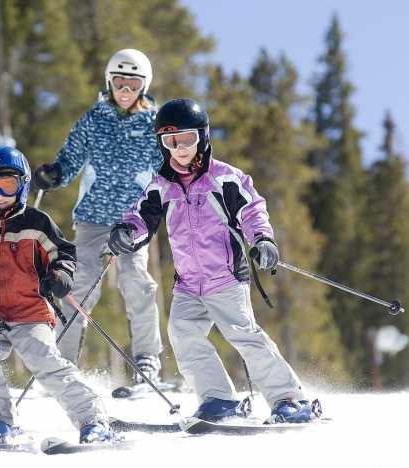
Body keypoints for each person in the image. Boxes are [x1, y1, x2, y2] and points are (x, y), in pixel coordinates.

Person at [107, 98, 321, 423]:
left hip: (225, 277)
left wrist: (262, 239)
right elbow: (141, 219)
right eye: (171, 141)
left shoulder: (224, 177)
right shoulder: (160, 184)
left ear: (203, 137)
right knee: (183, 335)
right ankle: (218, 399)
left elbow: (252, 209)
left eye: (187, 139)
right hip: (187, 284)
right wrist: (126, 233)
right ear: (162, 144)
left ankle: (289, 398)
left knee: (244, 335)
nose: (180, 148)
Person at [0, 146, 113, 444]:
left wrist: (60, 275)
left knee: (45, 362)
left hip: (31, 312)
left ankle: (92, 420)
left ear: (22, 185)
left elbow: (63, 254)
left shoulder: (37, 223)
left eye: (7, 185)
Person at [32, 49, 164, 385]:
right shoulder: (94, 120)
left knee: (136, 280)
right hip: (92, 216)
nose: (125, 90)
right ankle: (63, 361)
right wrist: (55, 173)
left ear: (145, 85)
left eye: (133, 84)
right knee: (79, 284)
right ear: (109, 82)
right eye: (119, 82)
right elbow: (71, 157)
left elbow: (167, 169)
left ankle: (147, 358)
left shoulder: (153, 124)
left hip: (133, 220)